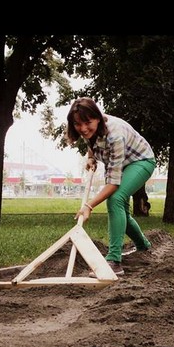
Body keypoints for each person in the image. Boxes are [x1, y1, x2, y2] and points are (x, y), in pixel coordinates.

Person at [66, 97, 156, 276]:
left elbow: (113, 183)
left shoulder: (115, 135)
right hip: (122, 164)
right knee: (120, 206)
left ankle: (114, 261)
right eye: (77, 124)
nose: (83, 129)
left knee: (115, 199)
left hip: (141, 161)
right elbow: (91, 142)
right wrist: (91, 157)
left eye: (87, 123)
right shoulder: (89, 130)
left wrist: (89, 205)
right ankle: (143, 246)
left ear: (98, 118)